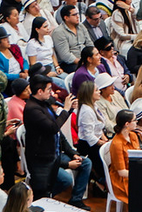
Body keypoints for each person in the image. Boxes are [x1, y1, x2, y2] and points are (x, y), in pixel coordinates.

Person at [23, 75, 91, 209]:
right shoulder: (32, 109)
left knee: (56, 185)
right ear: (40, 91)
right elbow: (53, 128)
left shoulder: (44, 104)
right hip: (40, 159)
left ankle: (52, 200)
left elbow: (58, 132)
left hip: (52, 154)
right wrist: (66, 110)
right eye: (49, 89)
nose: (52, 93)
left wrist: (70, 108)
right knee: (41, 192)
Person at [107, 109, 138, 208]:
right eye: (135, 120)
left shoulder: (133, 135)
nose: (137, 122)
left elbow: (139, 157)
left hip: (133, 171)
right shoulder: (117, 144)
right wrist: (140, 174)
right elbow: (122, 172)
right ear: (127, 124)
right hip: (122, 179)